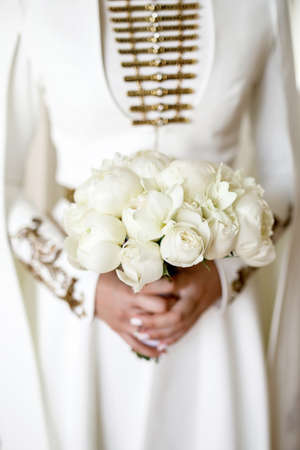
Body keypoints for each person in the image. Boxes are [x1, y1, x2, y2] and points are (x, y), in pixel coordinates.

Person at [1, 1, 299, 449]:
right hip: (81, 322)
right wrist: (84, 286)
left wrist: (221, 277)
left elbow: (285, 173)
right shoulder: (29, 7)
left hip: (216, 315)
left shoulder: (262, 5)